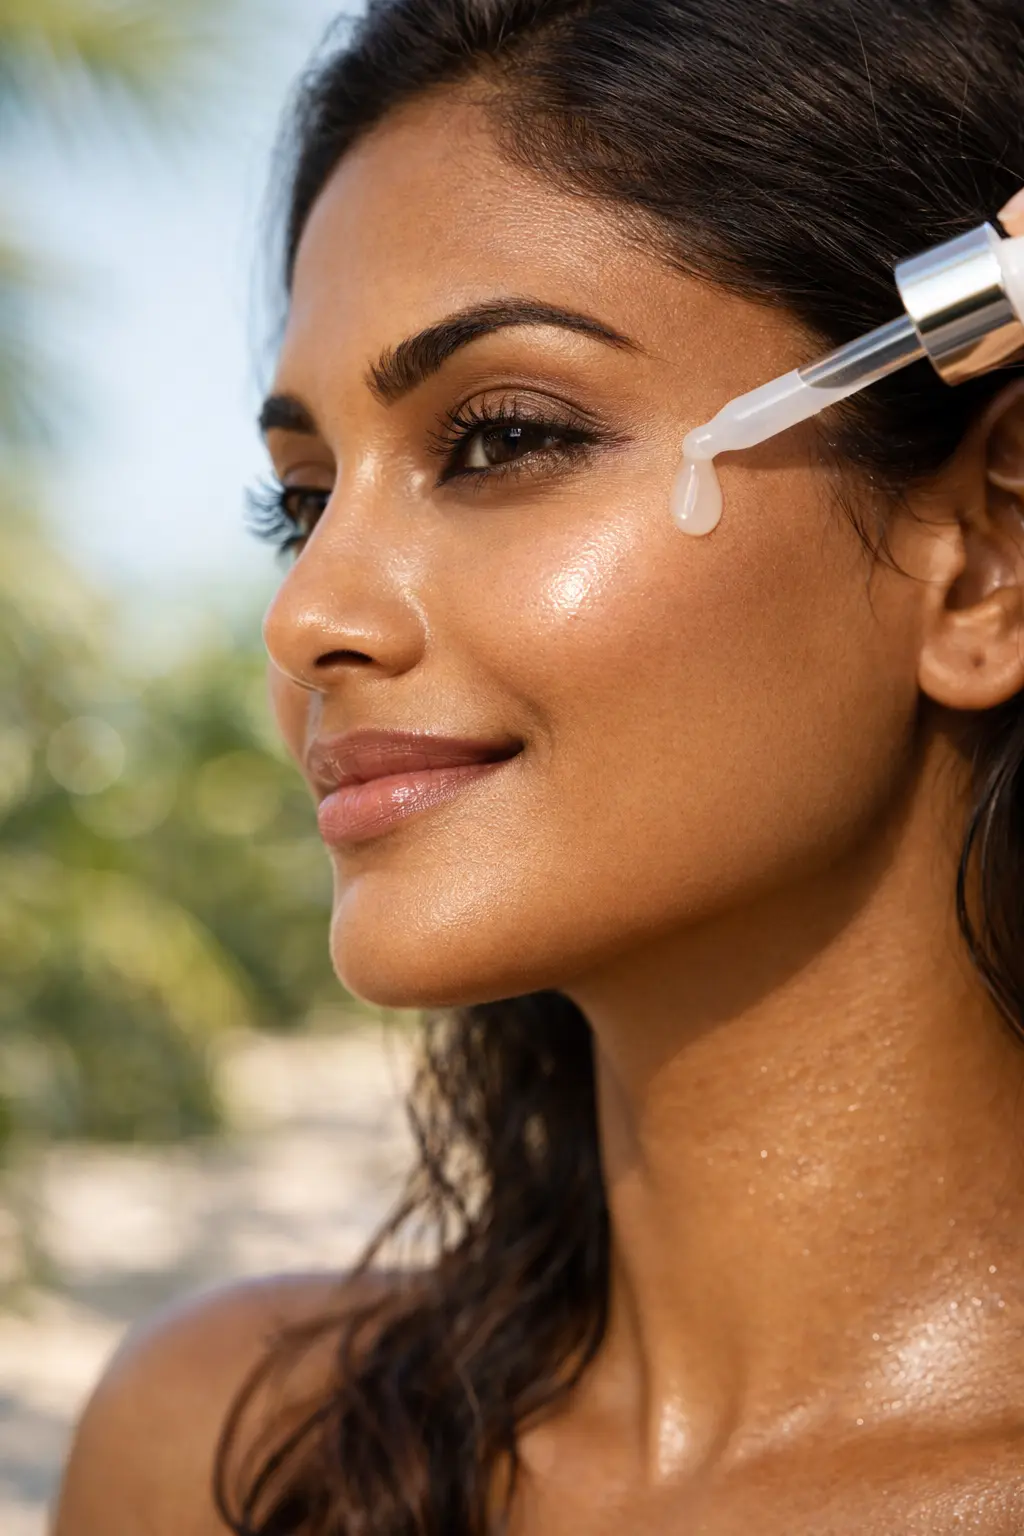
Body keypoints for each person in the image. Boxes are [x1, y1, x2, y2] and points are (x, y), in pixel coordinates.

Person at [54, 2, 1024, 1531]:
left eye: (501, 438)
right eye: (300, 503)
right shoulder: (227, 1460)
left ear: (987, 557)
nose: (310, 614)